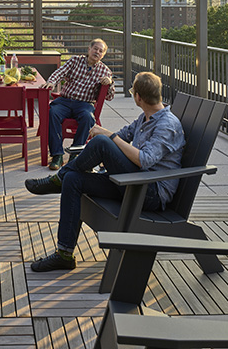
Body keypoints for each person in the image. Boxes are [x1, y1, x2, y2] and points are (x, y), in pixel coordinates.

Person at [23, 71, 185, 272]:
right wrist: (106, 136)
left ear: (138, 97)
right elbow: (123, 135)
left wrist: (107, 136)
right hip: (130, 183)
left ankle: (58, 178)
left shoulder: (167, 125)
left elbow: (144, 160)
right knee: (73, 179)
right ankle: (64, 254)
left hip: (149, 193)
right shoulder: (146, 117)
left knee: (101, 141)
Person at [41, 38, 115, 170]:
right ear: (89, 49)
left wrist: (109, 83)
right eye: (95, 49)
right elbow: (60, 72)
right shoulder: (75, 60)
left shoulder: (105, 71)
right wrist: (51, 82)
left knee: (88, 118)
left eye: (100, 51)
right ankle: (57, 155)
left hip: (85, 104)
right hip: (65, 101)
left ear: (103, 55)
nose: (97, 52)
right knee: (52, 113)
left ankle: (75, 156)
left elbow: (109, 97)